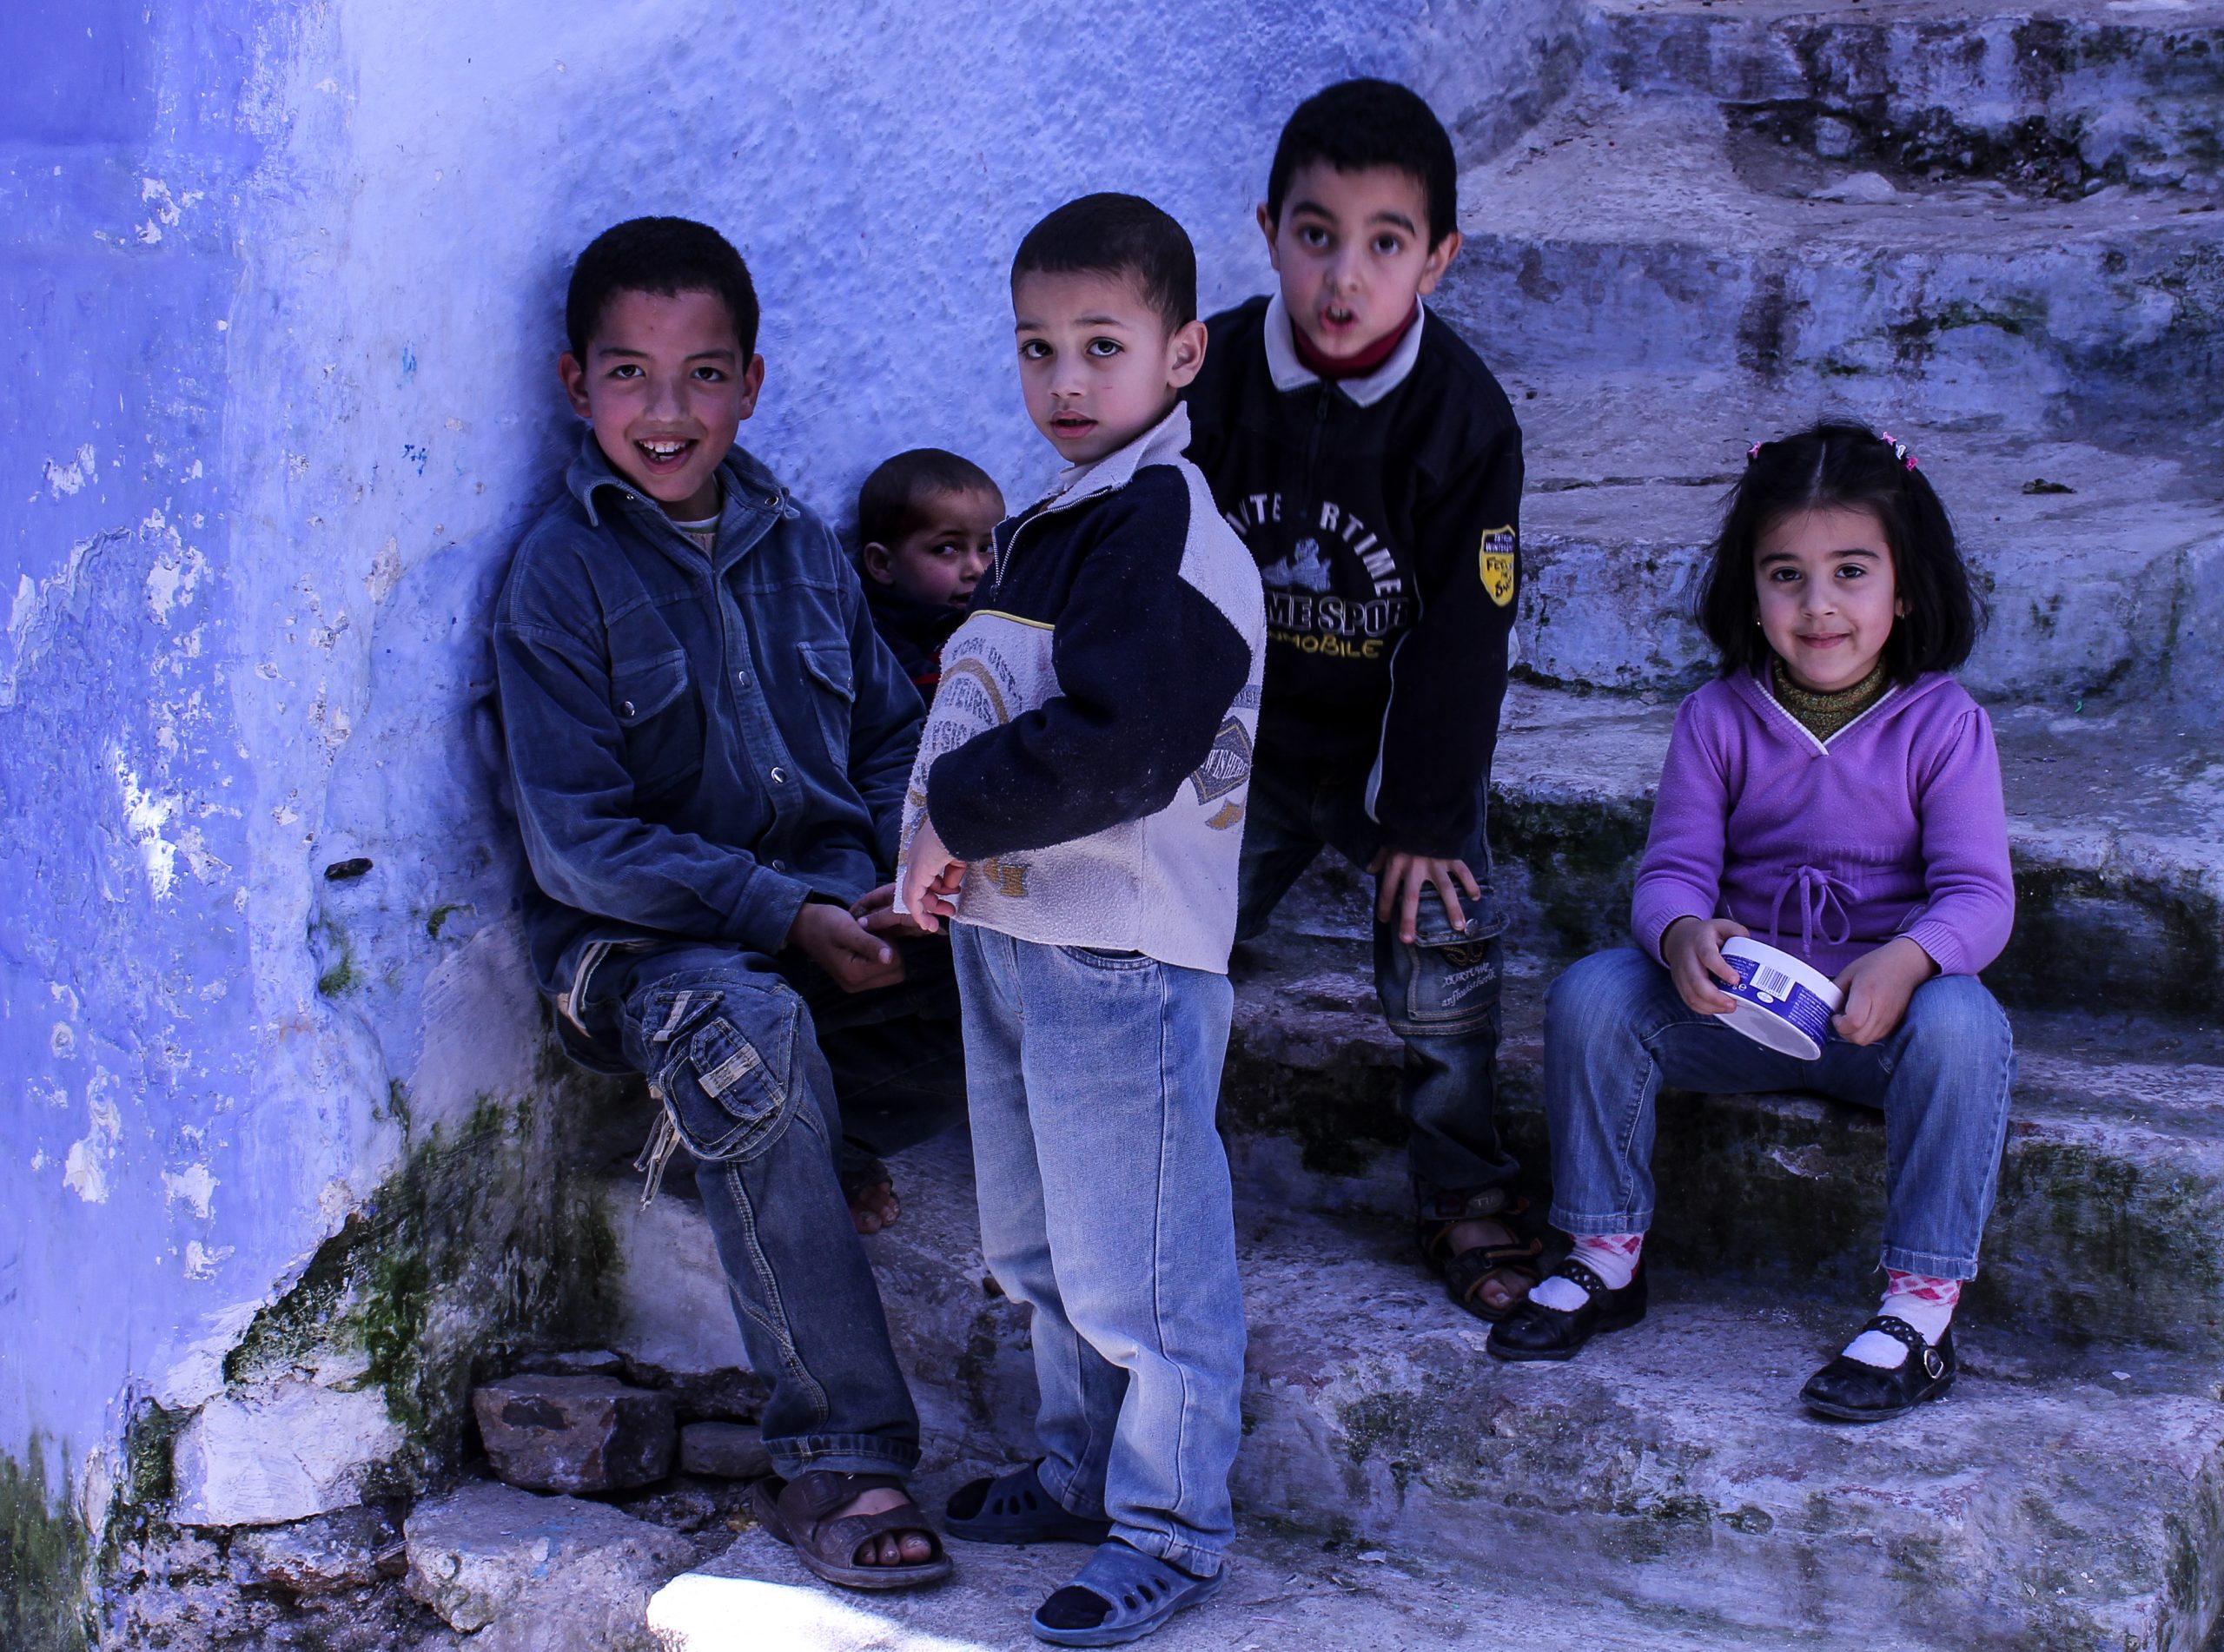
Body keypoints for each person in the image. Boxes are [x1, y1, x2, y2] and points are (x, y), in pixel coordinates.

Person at [492, 216, 964, 1589]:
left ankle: (794, 1143)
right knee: (747, 1034)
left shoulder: (807, 547)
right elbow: (578, 843)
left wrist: (905, 873)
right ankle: (841, 1451)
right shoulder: (561, 577)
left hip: (829, 920)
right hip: (650, 957)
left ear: (751, 384)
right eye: (630, 374)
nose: (667, 408)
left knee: (1039, 959)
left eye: (703, 374)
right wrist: (775, 910)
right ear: (576, 386)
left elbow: (886, 742)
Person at [897, 193, 1264, 1646]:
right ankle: (1080, 1470)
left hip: (1120, 950)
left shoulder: (1164, 527)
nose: (1065, 380)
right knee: (1045, 1246)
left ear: (1182, 354)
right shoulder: (1060, 520)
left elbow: (1124, 741)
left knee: (1145, 1265)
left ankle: (1172, 1525)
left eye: (1102, 346)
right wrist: (944, 852)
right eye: (1039, 348)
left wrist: (956, 814)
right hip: (1019, 935)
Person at [1488, 422, 2016, 1424]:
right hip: (1739, 1011)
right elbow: (1673, 871)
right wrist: (1682, 935)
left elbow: (1980, 897)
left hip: (1879, 1026)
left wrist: (1907, 962)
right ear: (1750, 592)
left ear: (1903, 589)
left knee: (1968, 1029)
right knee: (1593, 993)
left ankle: (1918, 1313)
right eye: (1786, 575)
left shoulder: (1941, 725)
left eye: (1850, 571)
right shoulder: (1717, 718)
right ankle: (1604, 1255)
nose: (1818, 604)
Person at [1182, 77, 1536, 1323]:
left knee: (1442, 963)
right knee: (1167, 930)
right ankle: (1159, 1162)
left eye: (1385, 243)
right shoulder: (1210, 375)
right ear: (1267, 225)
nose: (1343, 277)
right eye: (1315, 233)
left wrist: (1430, 816)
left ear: (1437, 257)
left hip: (1396, 753)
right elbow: (1145, 557)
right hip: (1245, 744)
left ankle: (1461, 1182)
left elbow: (1463, 634)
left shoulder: (1464, 420)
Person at [856, 447, 1006, 697]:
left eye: (987, 547)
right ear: (882, 563)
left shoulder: (1000, 607)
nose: (977, 569)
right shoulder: (879, 637)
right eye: (946, 548)